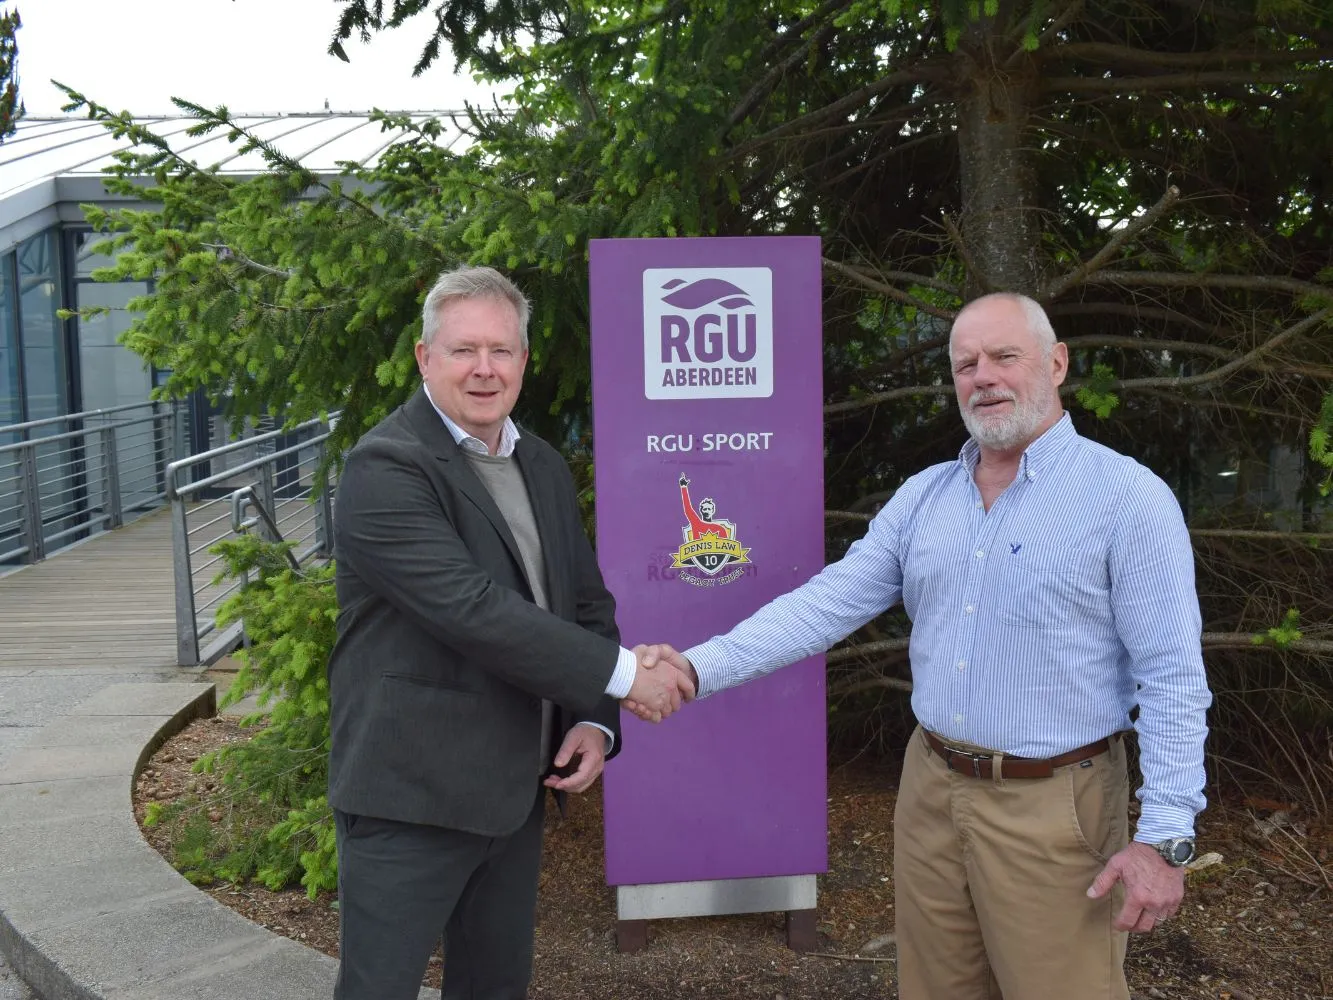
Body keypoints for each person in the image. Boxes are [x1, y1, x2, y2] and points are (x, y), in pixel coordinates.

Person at [635, 292, 1212, 999]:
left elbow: (1173, 676)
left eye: (1004, 356)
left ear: (1056, 363)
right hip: (931, 793)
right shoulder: (924, 498)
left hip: (1055, 807)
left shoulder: (1126, 499)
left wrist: (1162, 837)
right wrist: (695, 668)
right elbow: (825, 604)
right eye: (965, 363)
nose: (983, 377)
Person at [327, 265, 694, 1000]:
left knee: (495, 990)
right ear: (424, 359)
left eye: (501, 350)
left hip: (515, 793)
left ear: (524, 362)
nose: (484, 369)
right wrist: (625, 678)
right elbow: (472, 609)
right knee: (377, 990)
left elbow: (583, 604)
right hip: (411, 797)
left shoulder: (542, 465)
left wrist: (594, 718)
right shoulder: (384, 467)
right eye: (463, 350)